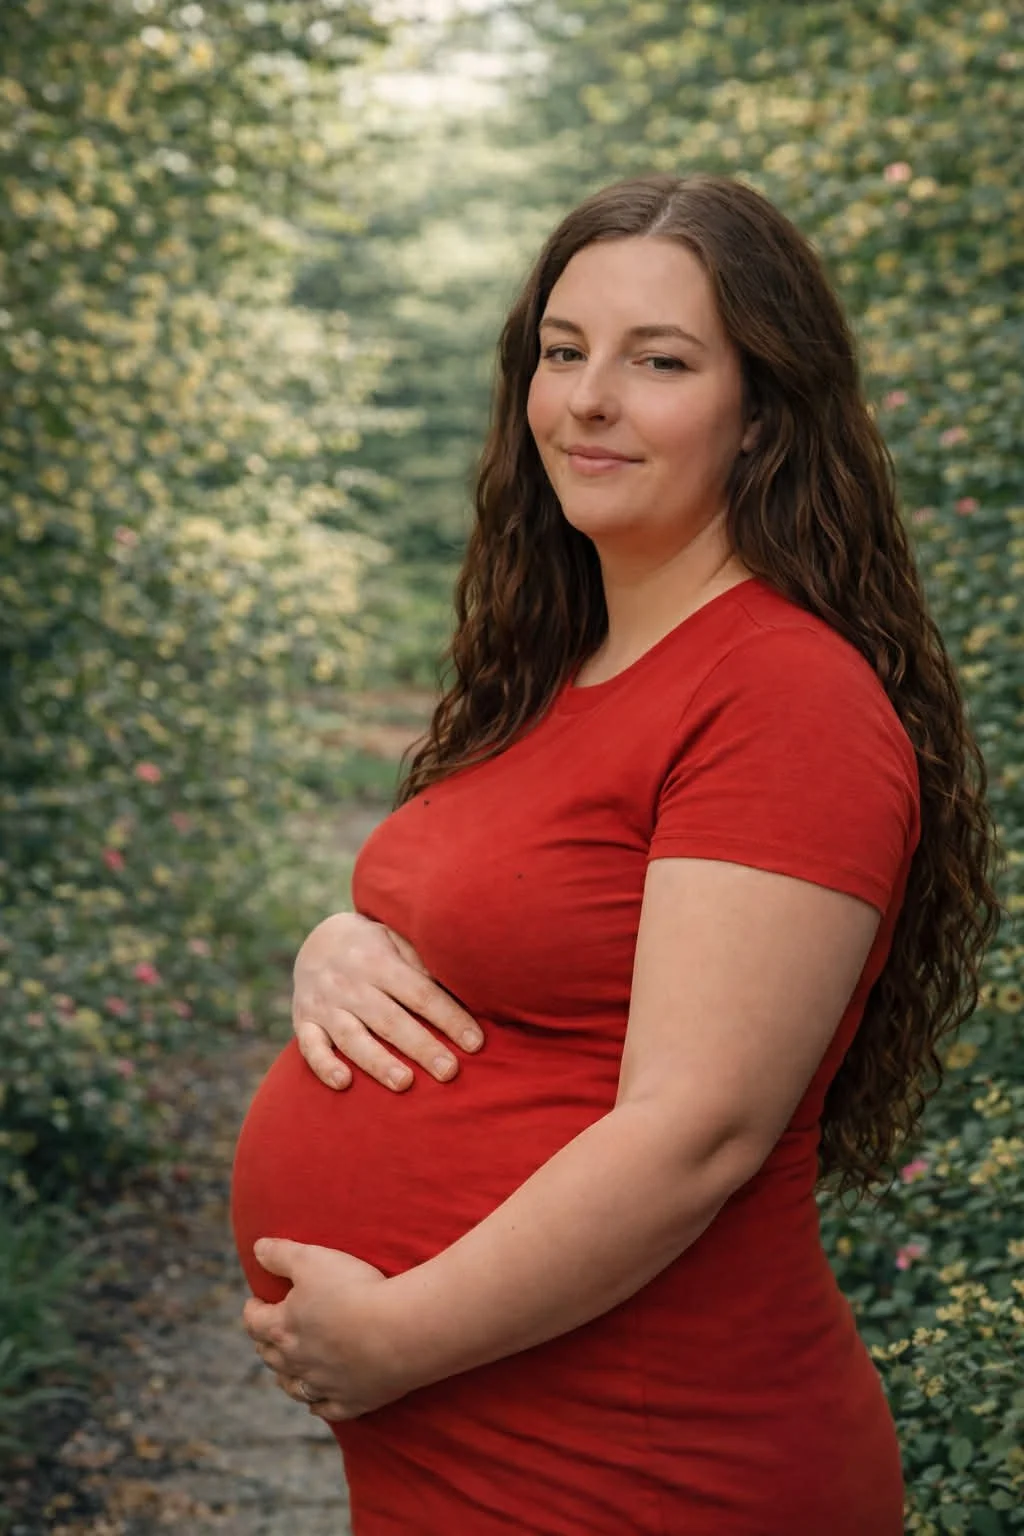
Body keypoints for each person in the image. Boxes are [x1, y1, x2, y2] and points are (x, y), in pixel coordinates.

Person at [231, 173, 1000, 1535]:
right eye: (564, 350)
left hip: (647, 1463)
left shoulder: (782, 695)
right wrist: (337, 943)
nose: (587, 399)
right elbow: (498, 921)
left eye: (658, 362)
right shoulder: (555, 669)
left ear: (763, 410)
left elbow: (697, 1129)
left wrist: (396, 1339)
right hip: (473, 1448)